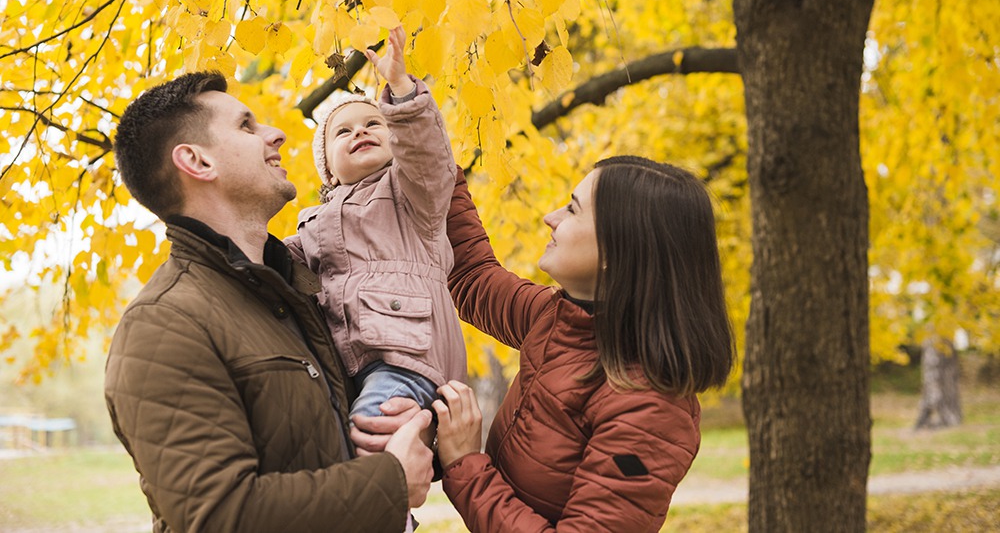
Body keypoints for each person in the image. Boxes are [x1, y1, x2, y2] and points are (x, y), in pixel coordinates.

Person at [105, 69, 433, 532]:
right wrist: (390, 481)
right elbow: (221, 516)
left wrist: (410, 423)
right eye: (246, 126)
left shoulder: (302, 291)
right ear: (197, 162)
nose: (276, 133)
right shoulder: (163, 325)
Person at [431, 156, 736, 532]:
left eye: (572, 209)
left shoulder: (651, 410)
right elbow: (473, 277)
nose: (551, 216)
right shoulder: (559, 319)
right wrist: (433, 156)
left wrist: (465, 465)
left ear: (618, 248)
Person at [284, 26, 466, 424]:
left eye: (374, 123)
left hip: (410, 357)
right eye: (343, 132)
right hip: (351, 360)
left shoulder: (411, 192)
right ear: (328, 170)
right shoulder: (315, 221)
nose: (360, 131)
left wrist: (400, 91)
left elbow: (426, 155)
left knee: (369, 428)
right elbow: (277, 259)